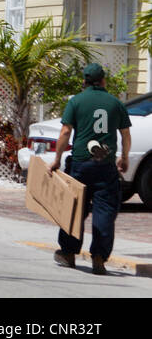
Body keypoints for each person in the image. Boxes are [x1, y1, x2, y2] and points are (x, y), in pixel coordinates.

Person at [51, 63, 132, 276]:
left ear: (84, 81)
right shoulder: (115, 103)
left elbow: (65, 132)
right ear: (103, 80)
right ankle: (99, 256)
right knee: (105, 210)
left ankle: (68, 253)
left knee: (75, 208)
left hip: (80, 163)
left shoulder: (76, 102)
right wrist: (124, 158)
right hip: (105, 165)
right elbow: (125, 134)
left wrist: (57, 159)